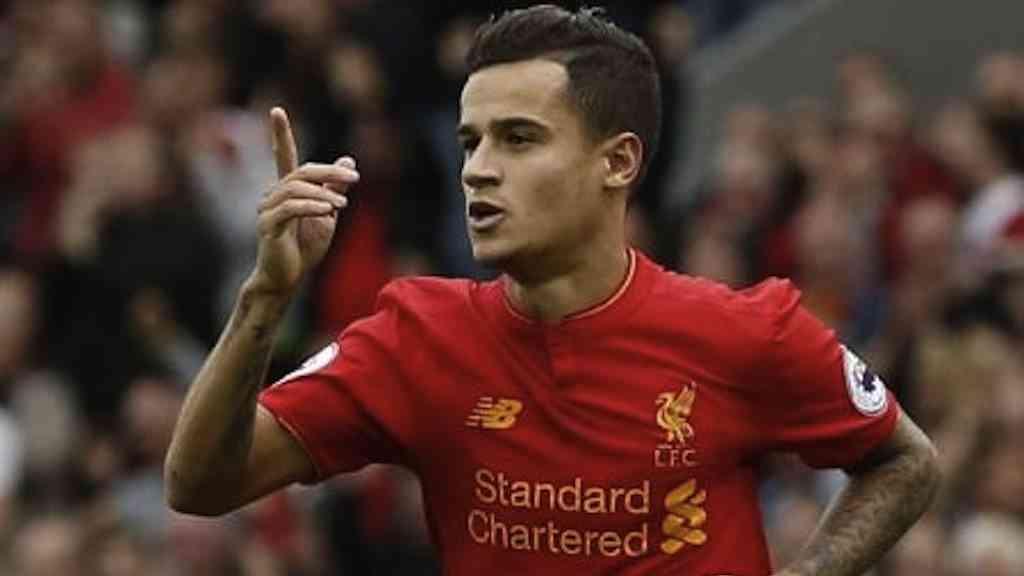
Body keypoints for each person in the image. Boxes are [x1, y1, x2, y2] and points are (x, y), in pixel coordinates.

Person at [164, 5, 940, 575]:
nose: (479, 169)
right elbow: (200, 484)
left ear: (618, 162)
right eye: (471, 141)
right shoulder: (415, 336)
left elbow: (906, 462)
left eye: (519, 138)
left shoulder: (744, 331)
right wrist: (264, 298)